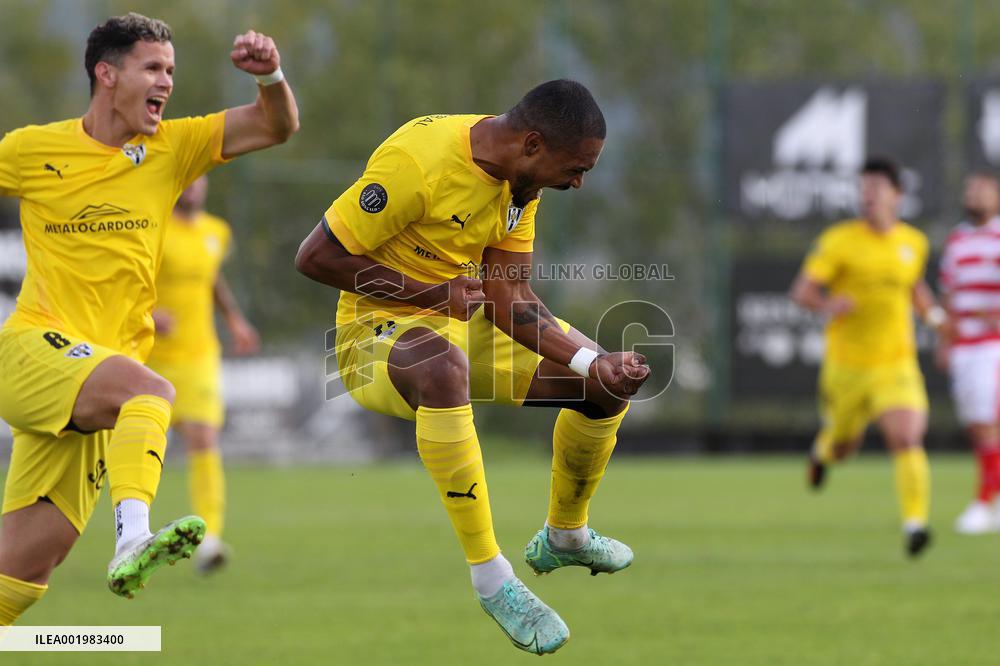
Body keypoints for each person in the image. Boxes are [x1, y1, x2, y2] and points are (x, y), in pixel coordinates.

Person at [295, 80, 650, 655]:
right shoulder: (420, 162)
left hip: (465, 324)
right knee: (442, 366)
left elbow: (510, 295)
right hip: (373, 339)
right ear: (533, 143)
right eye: (576, 168)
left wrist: (595, 360)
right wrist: (434, 296)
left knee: (601, 388)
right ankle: (492, 579)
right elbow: (316, 257)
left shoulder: (521, 183)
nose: (579, 183)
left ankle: (565, 534)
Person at [0, 12, 298, 624]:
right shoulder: (32, 151)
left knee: (27, 568)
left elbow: (277, 125)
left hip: (96, 380)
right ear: (107, 74)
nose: (166, 81)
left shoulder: (172, 147)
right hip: (32, 349)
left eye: (172, 70)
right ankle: (133, 536)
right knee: (151, 392)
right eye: (153, 68)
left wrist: (271, 76)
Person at [790, 156, 944, 558]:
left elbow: (914, 288)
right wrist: (828, 304)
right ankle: (822, 452)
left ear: (897, 194)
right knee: (844, 447)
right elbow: (802, 292)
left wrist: (939, 320)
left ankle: (915, 524)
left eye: (876, 189)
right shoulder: (839, 240)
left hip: (896, 363)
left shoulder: (914, 241)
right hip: (847, 368)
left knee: (907, 436)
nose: (868, 197)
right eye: (863, 189)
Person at [147, 175, 261, 571]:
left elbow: (211, 278)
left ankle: (210, 538)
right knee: (139, 447)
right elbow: (126, 280)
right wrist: (145, 314)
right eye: (187, 181)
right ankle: (132, 535)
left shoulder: (217, 232)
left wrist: (235, 321)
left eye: (201, 180)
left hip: (199, 356)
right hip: (147, 356)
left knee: (204, 438)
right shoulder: (154, 227)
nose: (194, 188)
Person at [938, 172, 1000, 534]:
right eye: (970, 189)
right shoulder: (958, 238)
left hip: (992, 344)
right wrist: (945, 340)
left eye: (982, 190)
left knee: (987, 423)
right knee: (978, 427)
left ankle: (982, 502)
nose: (974, 195)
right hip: (964, 344)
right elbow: (949, 292)